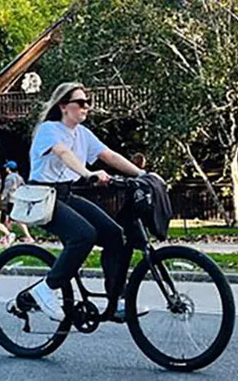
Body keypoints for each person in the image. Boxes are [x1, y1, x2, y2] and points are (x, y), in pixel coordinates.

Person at [26, 83, 148, 323]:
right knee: (84, 235)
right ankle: (46, 288)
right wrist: (88, 173)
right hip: (42, 196)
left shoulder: (82, 133)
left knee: (115, 234)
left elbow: (109, 155)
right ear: (63, 106)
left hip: (66, 194)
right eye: (80, 103)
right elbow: (63, 153)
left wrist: (143, 176)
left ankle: (116, 301)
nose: (86, 107)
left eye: (87, 103)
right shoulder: (49, 129)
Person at [0, 161, 35, 243]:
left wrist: (2, 198)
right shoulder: (20, 177)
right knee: (16, 218)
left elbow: (6, 189)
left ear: (8, 169)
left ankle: (9, 236)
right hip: (18, 200)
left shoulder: (9, 177)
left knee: (8, 219)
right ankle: (26, 236)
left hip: (11, 200)